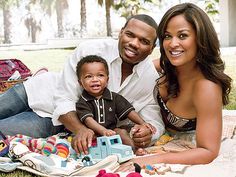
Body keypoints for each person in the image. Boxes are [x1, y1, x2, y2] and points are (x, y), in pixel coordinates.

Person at [0, 14, 165, 154]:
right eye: (130, 35)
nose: (134, 43)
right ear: (121, 33)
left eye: (144, 41)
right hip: (36, 92)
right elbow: (64, 98)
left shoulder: (149, 77)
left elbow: (154, 118)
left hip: (54, 120)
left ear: (152, 48)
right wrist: (80, 129)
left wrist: (149, 132)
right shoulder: (92, 49)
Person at [116, 3, 232, 171]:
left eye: (182, 36)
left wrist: (154, 159)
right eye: (167, 36)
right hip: (152, 134)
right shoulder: (166, 65)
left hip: (182, 145)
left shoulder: (207, 87)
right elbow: (133, 72)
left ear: (201, 38)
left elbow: (208, 151)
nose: (172, 44)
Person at [75, 55, 156, 148]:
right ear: (80, 83)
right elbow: (88, 120)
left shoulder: (114, 97)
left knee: (121, 132)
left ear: (107, 80)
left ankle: (133, 150)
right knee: (85, 139)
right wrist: (103, 131)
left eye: (100, 75)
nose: (95, 80)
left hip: (112, 131)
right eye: (89, 76)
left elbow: (129, 111)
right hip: (93, 133)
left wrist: (143, 123)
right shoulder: (82, 102)